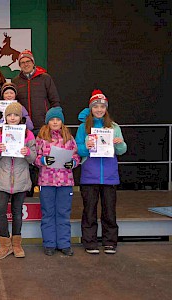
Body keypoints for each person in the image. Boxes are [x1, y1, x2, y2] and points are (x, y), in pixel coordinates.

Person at [75, 89, 127, 255]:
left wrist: (119, 143)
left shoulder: (114, 127)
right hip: (90, 175)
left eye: (102, 106)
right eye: (95, 106)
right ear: (91, 108)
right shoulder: (84, 127)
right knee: (89, 211)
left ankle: (110, 242)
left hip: (110, 176)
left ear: (106, 109)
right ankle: (90, 242)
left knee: (109, 211)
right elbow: (77, 149)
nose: (99, 109)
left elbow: (122, 150)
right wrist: (86, 147)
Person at [0, 102, 37, 259]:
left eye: (16, 115)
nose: (12, 118)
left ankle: (17, 244)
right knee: (0, 211)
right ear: (5, 117)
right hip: (3, 178)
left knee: (17, 213)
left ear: (20, 117)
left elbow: (33, 158)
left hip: (21, 178)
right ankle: (5, 245)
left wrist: (27, 152)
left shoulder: (28, 134)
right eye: (9, 115)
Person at [12, 49, 61, 197]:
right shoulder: (15, 81)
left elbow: (55, 100)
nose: (25, 64)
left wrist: (54, 120)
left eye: (28, 61)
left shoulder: (45, 78)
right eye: (22, 62)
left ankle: (43, 188)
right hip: (23, 128)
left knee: (42, 155)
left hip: (42, 125)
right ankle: (27, 189)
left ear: (33, 62)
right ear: (19, 65)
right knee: (26, 158)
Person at [35, 107, 80, 256]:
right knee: (48, 213)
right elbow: (35, 158)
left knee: (63, 213)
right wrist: (42, 160)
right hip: (46, 181)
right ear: (48, 122)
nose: (55, 122)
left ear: (62, 122)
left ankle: (64, 243)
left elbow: (76, 156)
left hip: (65, 181)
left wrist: (72, 163)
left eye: (58, 119)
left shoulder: (69, 138)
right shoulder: (41, 138)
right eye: (52, 120)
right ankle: (49, 243)